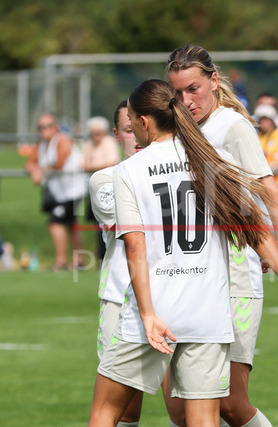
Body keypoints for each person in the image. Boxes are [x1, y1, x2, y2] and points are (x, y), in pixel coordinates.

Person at [88, 79, 278, 427]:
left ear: (143, 122)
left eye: (133, 121)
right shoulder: (216, 160)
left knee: (107, 412)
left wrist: (148, 314)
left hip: (154, 312)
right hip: (207, 313)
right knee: (203, 421)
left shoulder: (129, 170)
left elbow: (135, 248)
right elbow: (254, 229)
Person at [166, 44, 278, 427]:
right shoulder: (181, 129)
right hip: (195, 278)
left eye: (193, 89)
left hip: (236, 278)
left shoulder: (232, 126)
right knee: (181, 407)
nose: (186, 100)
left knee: (230, 403)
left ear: (213, 81)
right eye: (177, 92)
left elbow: (271, 191)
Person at [89, 101, 185, 427]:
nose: (138, 136)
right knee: (124, 410)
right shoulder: (105, 179)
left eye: (141, 127)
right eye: (129, 130)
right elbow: (143, 227)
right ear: (117, 135)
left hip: (174, 295)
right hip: (122, 299)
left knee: (184, 410)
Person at [25, 113, 86, 270]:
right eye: (40, 127)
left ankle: (61, 261)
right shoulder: (41, 144)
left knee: (55, 223)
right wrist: (33, 170)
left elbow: (59, 163)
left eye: (48, 126)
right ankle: (79, 261)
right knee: (71, 224)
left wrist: (40, 170)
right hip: (60, 192)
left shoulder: (62, 140)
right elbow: (30, 162)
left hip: (73, 190)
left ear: (56, 127)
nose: (44, 130)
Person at [83, 116, 121, 260]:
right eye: (93, 133)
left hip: (108, 189)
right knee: (98, 224)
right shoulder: (88, 144)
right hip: (93, 190)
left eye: (98, 133)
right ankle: (102, 255)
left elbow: (112, 163)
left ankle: (109, 255)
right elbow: (83, 164)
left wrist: (93, 167)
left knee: (109, 223)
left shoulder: (109, 142)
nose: (95, 136)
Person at [254, 104, 278, 196]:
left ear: (272, 121)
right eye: (261, 119)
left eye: (266, 120)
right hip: (260, 183)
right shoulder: (255, 136)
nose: (263, 122)